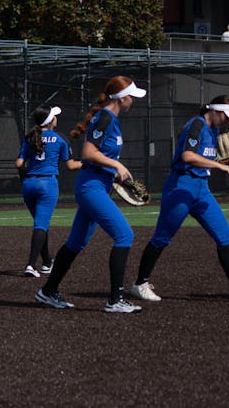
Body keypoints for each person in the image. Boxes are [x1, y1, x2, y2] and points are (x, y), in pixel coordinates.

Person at [129, 96, 229, 303]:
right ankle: (140, 284)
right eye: (226, 116)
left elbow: (202, 157)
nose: (228, 122)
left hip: (201, 189)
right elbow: (187, 156)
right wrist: (219, 165)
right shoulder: (197, 124)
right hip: (181, 186)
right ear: (215, 111)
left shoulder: (213, 130)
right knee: (162, 237)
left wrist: (217, 159)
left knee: (224, 235)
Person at [34, 75, 146, 313]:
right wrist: (117, 165)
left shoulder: (111, 119)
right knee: (124, 236)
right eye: (132, 97)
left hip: (98, 184)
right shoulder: (105, 117)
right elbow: (88, 152)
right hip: (91, 188)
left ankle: (47, 291)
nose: (133, 101)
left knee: (75, 243)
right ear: (123, 98)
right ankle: (115, 300)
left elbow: (99, 156)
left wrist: (113, 171)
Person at [15, 105, 81, 277]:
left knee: (41, 224)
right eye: (54, 116)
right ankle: (30, 265)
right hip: (47, 184)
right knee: (41, 225)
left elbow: (19, 164)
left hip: (29, 185)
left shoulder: (30, 138)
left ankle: (46, 262)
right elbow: (71, 165)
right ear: (51, 121)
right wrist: (89, 163)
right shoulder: (60, 139)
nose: (56, 118)